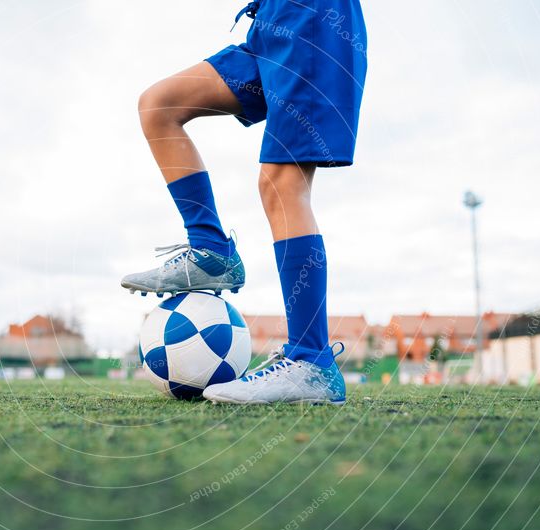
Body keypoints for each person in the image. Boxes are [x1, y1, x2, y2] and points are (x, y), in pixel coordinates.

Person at [121, 0, 367, 404]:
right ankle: (212, 250)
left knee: (281, 184)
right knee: (159, 105)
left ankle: (311, 361)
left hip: (311, 22)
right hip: (267, 28)